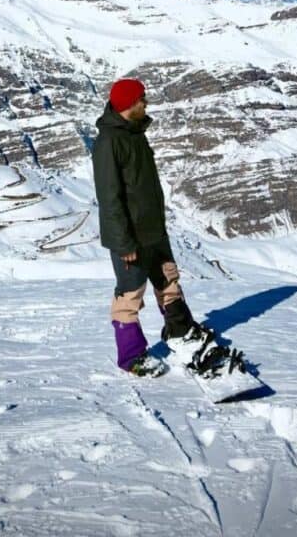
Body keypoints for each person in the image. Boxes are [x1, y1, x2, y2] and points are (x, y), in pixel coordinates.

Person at [92, 77, 204, 376]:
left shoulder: (136, 134)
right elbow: (109, 198)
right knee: (130, 294)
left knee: (169, 280)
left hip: (154, 230)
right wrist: (123, 242)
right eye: (142, 98)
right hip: (130, 238)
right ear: (130, 103)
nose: (146, 102)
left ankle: (181, 333)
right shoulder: (109, 142)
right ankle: (131, 357)